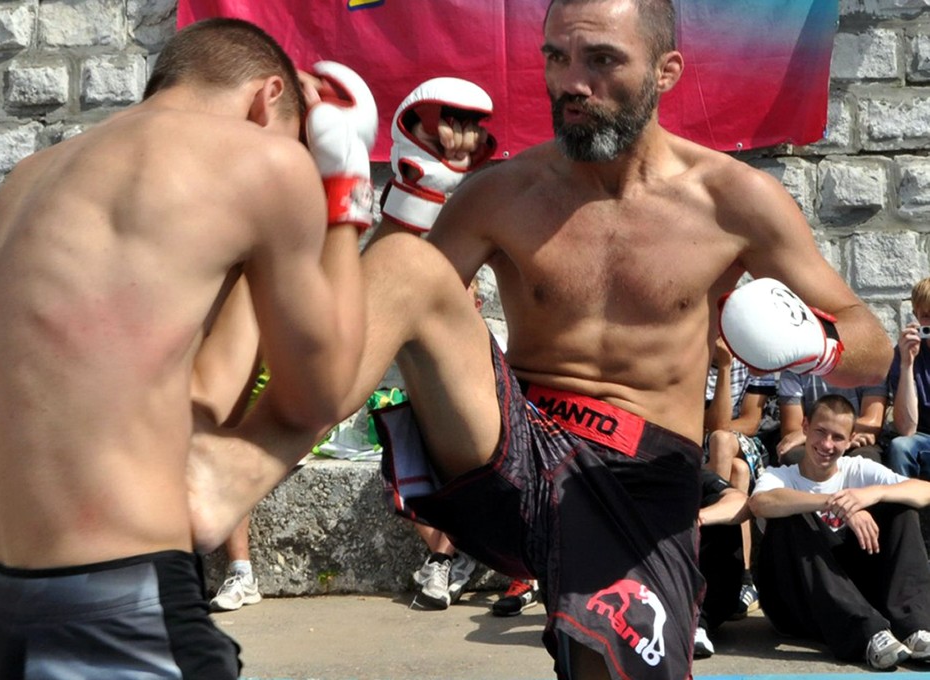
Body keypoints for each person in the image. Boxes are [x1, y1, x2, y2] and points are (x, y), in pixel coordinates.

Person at [191, 1, 893, 678]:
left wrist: (818, 347)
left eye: (602, 60)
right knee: (410, 261)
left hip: (642, 484)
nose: (573, 84)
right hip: (517, 458)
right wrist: (391, 207)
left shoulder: (734, 201)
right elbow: (381, 308)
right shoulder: (504, 193)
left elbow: (874, 346)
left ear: (667, 70)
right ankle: (229, 477)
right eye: (557, 58)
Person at [0, 17, 372, 679]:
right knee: (406, 274)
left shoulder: (26, 182)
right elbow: (319, 395)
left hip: (6, 607)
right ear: (267, 98)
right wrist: (344, 192)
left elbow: (194, 395)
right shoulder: (262, 160)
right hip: (123, 602)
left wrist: (255, 270)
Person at [750, 395, 930, 671]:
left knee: (900, 507)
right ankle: (867, 633)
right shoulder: (781, 476)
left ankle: (915, 626)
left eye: (837, 437)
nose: (826, 445)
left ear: (850, 441)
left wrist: (872, 494)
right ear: (805, 427)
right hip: (795, 604)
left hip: (852, 593)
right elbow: (760, 503)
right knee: (790, 515)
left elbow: (924, 491)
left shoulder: (858, 470)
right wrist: (836, 503)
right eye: (820, 432)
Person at [702, 336, 776, 618]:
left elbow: (749, 422)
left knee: (722, 440)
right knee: (738, 472)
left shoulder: (755, 359)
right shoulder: (691, 355)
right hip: (699, 446)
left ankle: (710, 556)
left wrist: (725, 367)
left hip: (743, 444)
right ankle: (742, 577)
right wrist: (720, 367)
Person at [694, 465, 752, 659]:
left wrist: (696, 520)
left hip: (704, 595)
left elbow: (740, 502)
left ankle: (697, 626)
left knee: (718, 507)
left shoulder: (688, 471)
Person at [775, 371, 887, 466]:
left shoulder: (871, 366)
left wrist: (843, 440)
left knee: (865, 462)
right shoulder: (795, 370)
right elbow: (791, 431)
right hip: (812, 440)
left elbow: (872, 423)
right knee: (793, 457)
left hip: (855, 438)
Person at [885, 277, 930, 478]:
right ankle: (906, 509)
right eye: (927, 316)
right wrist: (907, 364)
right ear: (916, 318)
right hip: (923, 438)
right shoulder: (905, 353)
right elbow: (906, 428)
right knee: (900, 447)